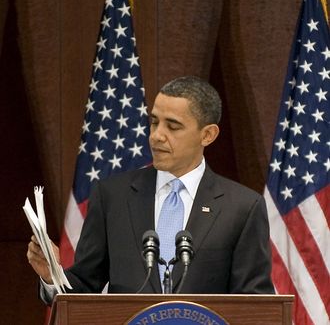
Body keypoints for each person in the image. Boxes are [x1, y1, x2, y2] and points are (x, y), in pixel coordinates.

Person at [27, 76, 274, 303]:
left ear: (207, 135)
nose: (156, 136)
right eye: (154, 122)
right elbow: (84, 287)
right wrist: (52, 276)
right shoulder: (112, 196)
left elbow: (253, 303)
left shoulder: (242, 207)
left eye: (173, 126)